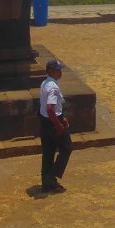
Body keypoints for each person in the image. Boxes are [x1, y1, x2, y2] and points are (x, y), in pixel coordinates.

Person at [39, 58, 72, 192]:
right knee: (67, 147)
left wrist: (61, 117)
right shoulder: (53, 87)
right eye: (58, 70)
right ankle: (50, 177)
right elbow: (50, 108)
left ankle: (47, 182)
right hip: (52, 121)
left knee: (48, 151)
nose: (60, 73)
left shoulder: (44, 83)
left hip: (44, 121)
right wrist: (58, 124)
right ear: (51, 71)